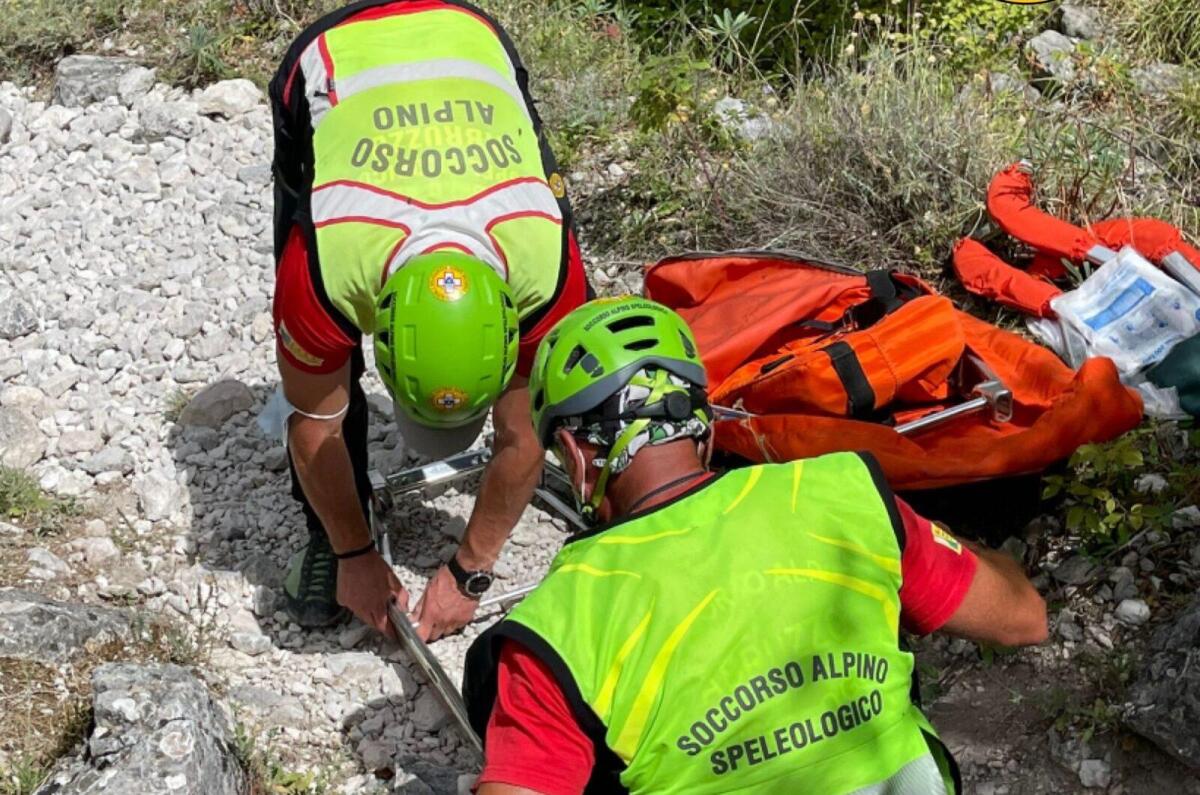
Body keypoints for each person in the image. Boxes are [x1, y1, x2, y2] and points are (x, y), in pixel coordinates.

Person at [462, 297, 1048, 794]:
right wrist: (921, 538)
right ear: (706, 422)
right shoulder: (842, 495)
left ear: (573, 454)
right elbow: (1024, 619)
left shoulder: (557, 628)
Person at [267, 0, 589, 641]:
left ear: (511, 326)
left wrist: (471, 571)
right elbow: (313, 421)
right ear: (378, 333)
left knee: (562, 387)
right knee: (321, 373)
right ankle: (324, 539)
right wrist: (356, 555)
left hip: (470, 40)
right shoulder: (322, 270)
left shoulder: (549, 267)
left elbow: (522, 430)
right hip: (332, 56)